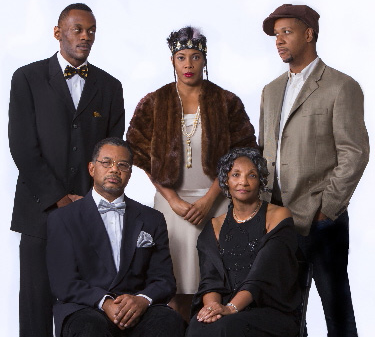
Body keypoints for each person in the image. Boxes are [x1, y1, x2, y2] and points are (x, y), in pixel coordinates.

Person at [8, 3, 125, 337]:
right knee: (35, 306)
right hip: (38, 212)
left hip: (91, 214)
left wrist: (91, 201)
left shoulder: (110, 86)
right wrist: (59, 198)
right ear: (58, 32)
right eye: (77, 29)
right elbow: (22, 147)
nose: (85, 36)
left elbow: (113, 154)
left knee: (87, 308)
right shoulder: (27, 78)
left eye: (91, 31)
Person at [126, 26, 257, 319]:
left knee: (217, 284)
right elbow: (139, 151)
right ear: (172, 60)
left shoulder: (227, 102)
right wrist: (172, 199)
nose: (188, 64)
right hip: (172, 205)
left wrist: (210, 199)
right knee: (177, 286)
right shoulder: (154, 102)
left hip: (219, 203)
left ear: (205, 60)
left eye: (195, 57)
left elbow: (244, 152)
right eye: (181, 57)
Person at [259, 4, 369, 336]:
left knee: (335, 306)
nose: (279, 41)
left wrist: (328, 208)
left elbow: (355, 151)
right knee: (287, 310)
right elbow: (264, 149)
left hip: (322, 220)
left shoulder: (340, 86)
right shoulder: (271, 90)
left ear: (309, 34)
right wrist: (263, 208)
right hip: (278, 218)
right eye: (276, 35)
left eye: (286, 32)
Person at [46, 137, 185, 337]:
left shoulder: (152, 218)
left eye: (123, 165)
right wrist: (105, 302)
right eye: (107, 162)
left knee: (169, 321)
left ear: (129, 174)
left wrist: (142, 299)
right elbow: (63, 283)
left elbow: (164, 280)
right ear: (92, 168)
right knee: (89, 329)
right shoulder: (62, 218)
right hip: (85, 307)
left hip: (138, 305)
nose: (114, 169)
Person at [186, 147, 301, 337]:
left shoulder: (278, 216)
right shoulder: (214, 226)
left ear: (261, 181)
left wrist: (231, 308)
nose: (243, 182)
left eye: (252, 175)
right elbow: (210, 280)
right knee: (198, 326)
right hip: (226, 308)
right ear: (225, 181)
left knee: (226, 328)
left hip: (270, 308)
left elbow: (262, 275)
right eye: (236, 175)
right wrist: (213, 308)